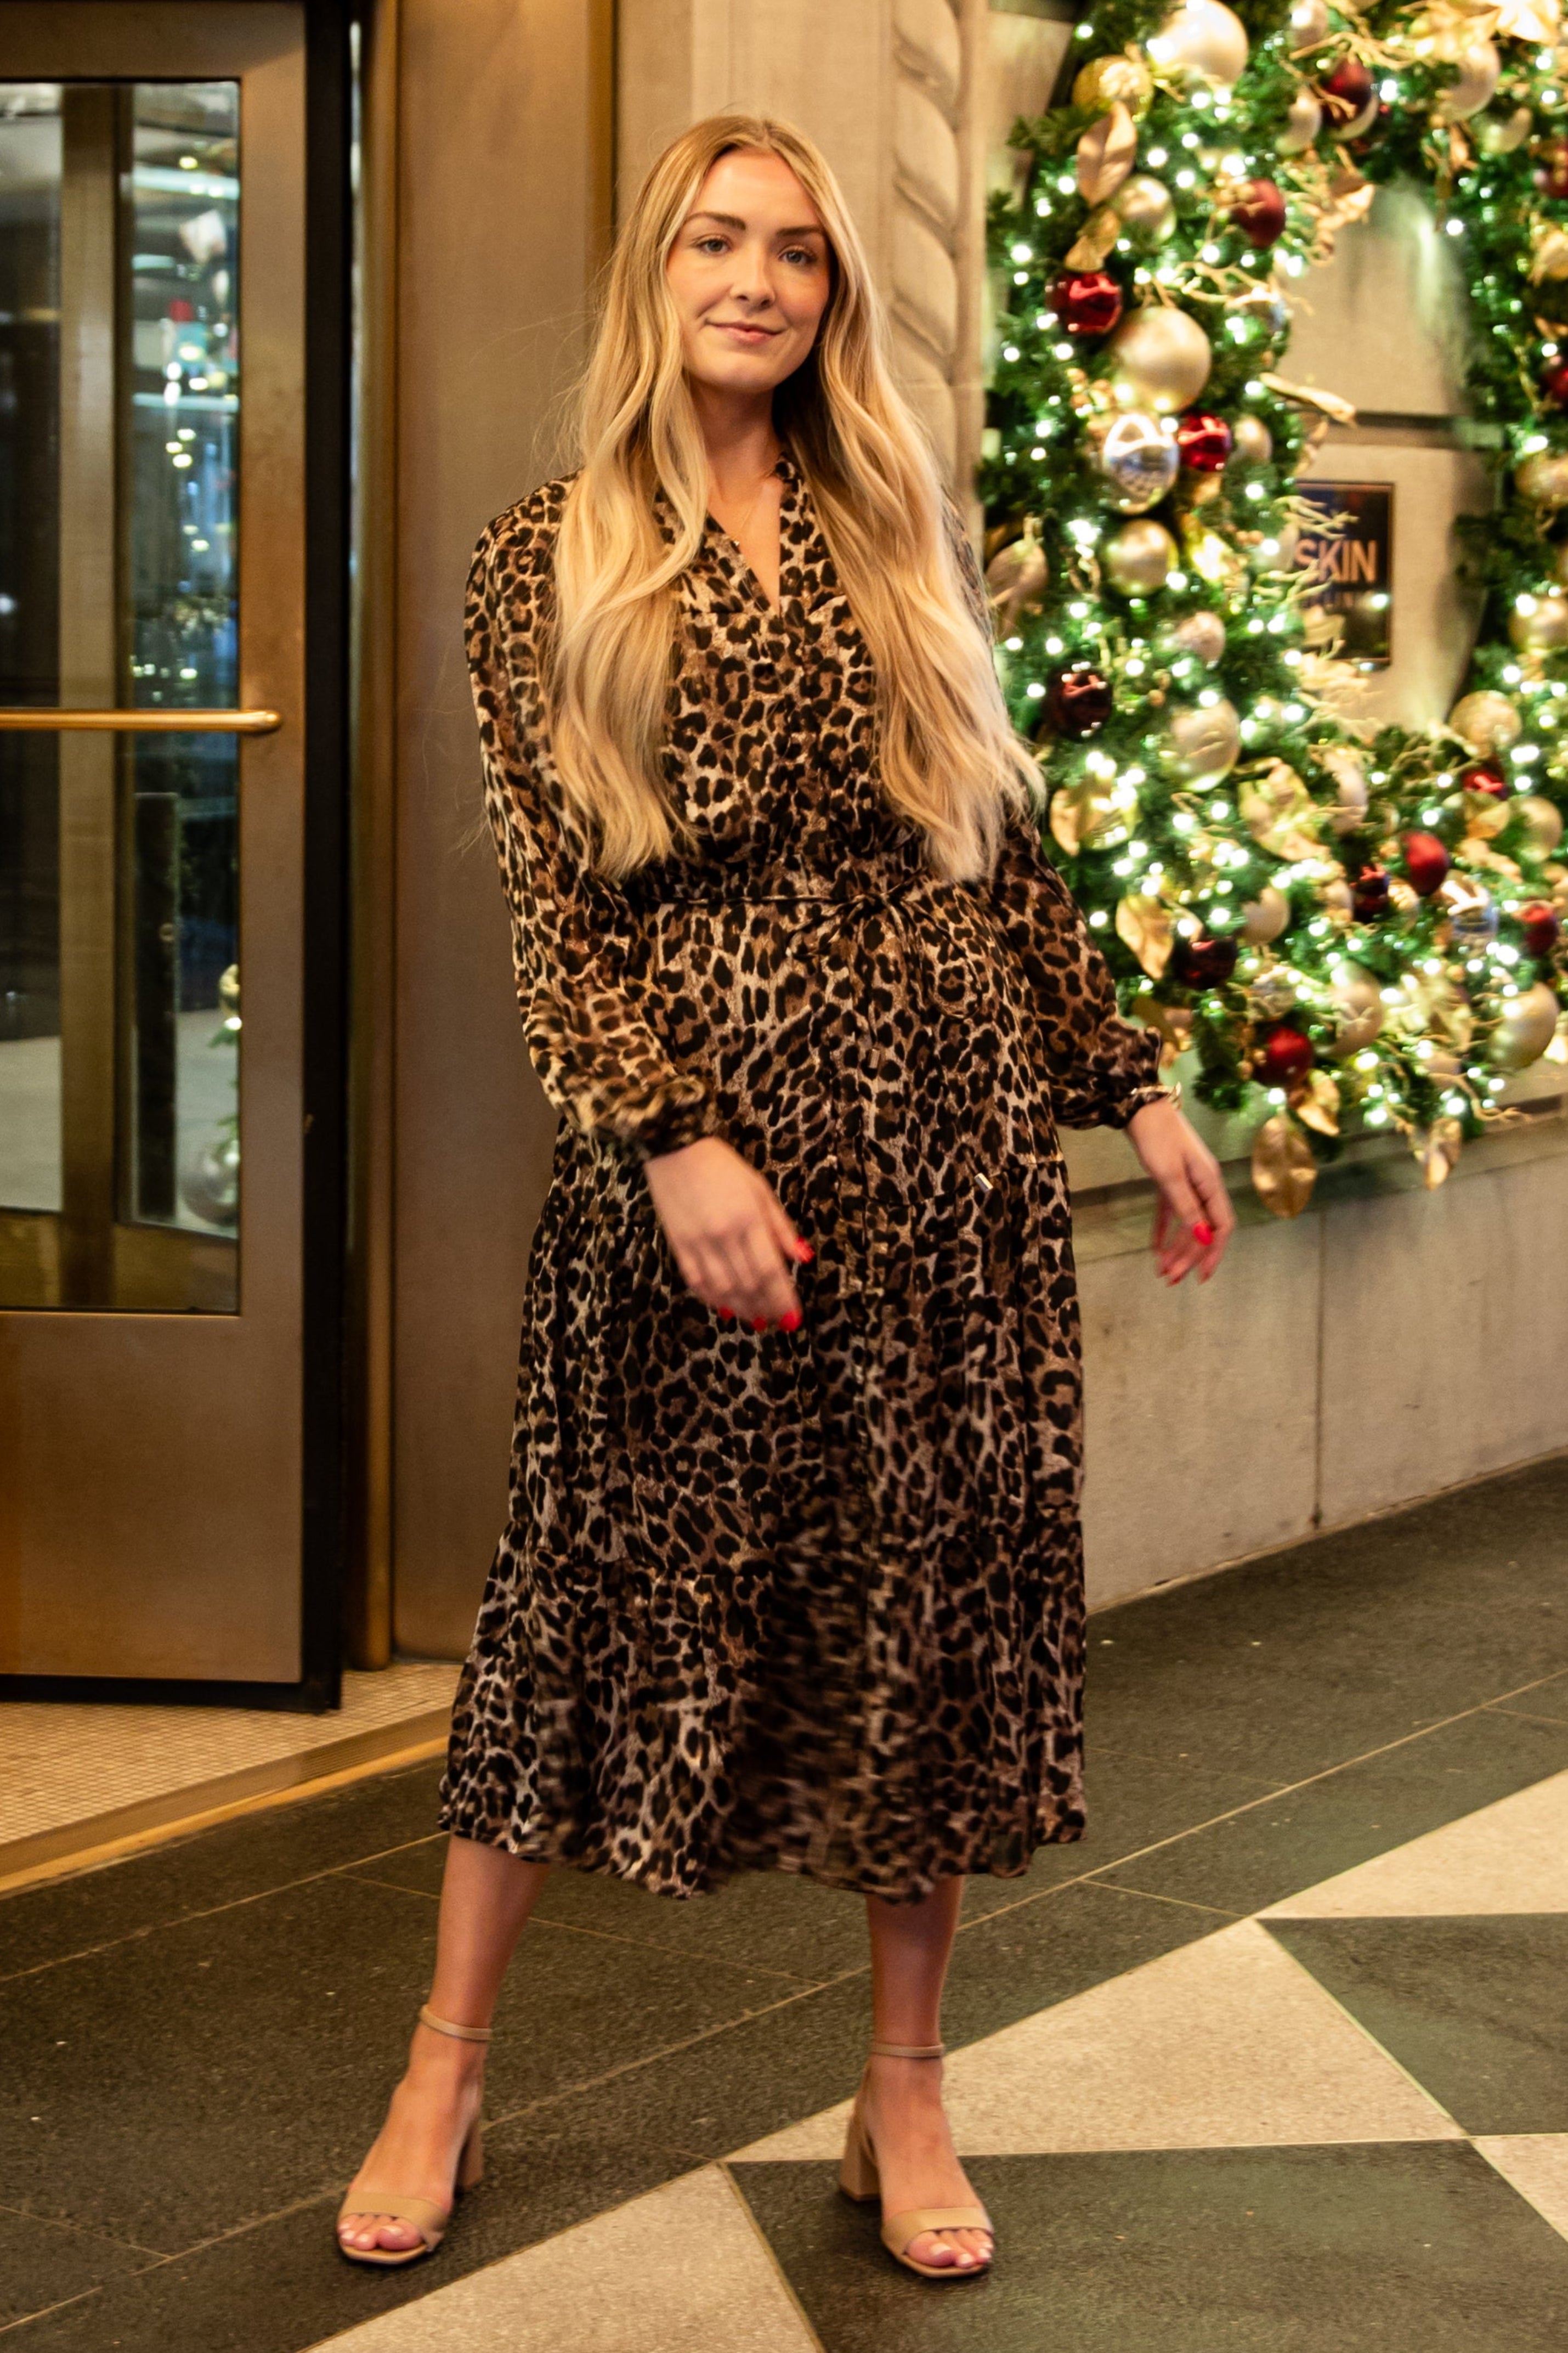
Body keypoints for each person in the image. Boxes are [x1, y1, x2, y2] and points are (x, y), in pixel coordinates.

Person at [337, 112, 1233, 2284]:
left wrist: (1125, 1082)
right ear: (657, 270)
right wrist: (671, 1142)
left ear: (836, 297)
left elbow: (994, 849)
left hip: (948, 1153)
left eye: (803, 254)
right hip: (695, 1168)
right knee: (575, 1603)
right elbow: (559, 917)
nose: (758, 280)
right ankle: (443, 2061)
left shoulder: (897, 524)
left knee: (913, 1613)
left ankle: (900, 2085)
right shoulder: (537, 553)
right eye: (720, 241)